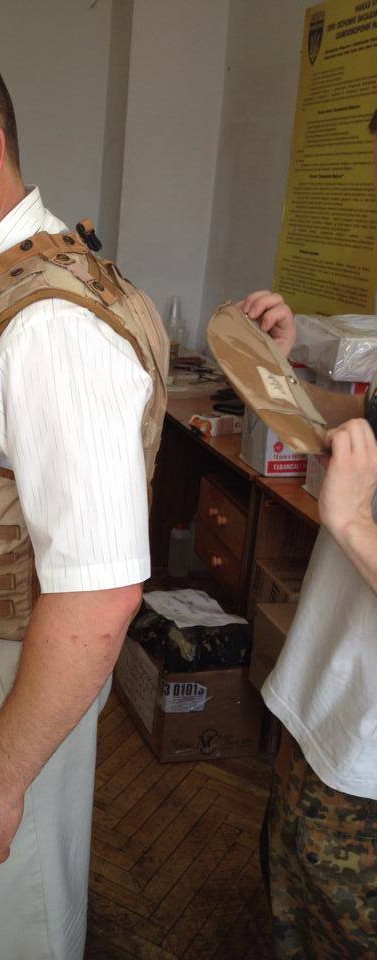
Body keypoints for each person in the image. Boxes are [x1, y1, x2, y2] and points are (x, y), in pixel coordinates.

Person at [0, 24, 283, 959]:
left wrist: (0, 780)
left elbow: (100, 595)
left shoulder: (52, 335)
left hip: (5, 675)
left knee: (11, 925)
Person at [253, 106, 377, 959]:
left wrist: (355, 523)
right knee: (288, 878)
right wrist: (282, 369)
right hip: (330, 692)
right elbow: (356, 426)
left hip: (367, 754)